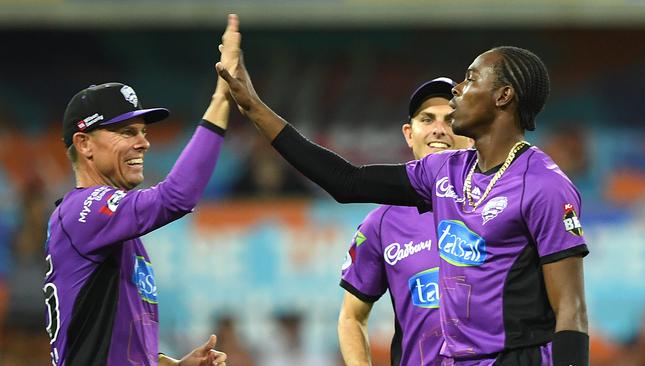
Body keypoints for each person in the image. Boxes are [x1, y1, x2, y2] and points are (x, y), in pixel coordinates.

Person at [218, 28, 589, 366]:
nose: (458, 89)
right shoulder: (445, 171)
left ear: (503, 96)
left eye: (471, 78)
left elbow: (570, 309)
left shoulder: (545, 185)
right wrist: (251, 105)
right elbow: (346, 181)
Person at [42, 15, 241, 366]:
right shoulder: (84, 211)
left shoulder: (110, 228)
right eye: (126, 132)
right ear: (84, 143)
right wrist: (222, 98)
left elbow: (106, 340)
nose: (143, 143)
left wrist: (171, 364)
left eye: (143, 131)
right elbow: (176, 197)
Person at [338, 77, 472, 366]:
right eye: (427, 119)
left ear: (470, 132)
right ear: (409, 134)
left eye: (451, 119)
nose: (439, 129)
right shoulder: (381, 224)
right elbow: (351, 316)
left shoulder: (500, 204)